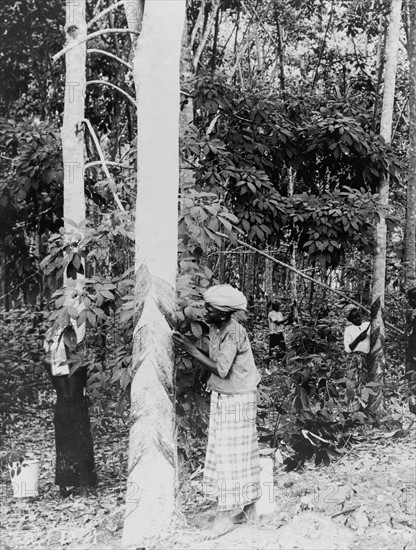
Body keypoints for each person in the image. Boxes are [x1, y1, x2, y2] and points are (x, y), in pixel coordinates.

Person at [173, 285, 261, 540]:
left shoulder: (233, 331)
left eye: (209, 308)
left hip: (239, 398)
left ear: (223, 313)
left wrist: (191, 349)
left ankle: (225, 517)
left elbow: (222, 369)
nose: (205, 310)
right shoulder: (216, 326)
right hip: (227, 394)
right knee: (235, 452)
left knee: (230, 454)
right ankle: (248, 510)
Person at [44, 321, 97, 497]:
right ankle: (83, 484)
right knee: (79, 442)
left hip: (63, 405)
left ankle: (67, 486)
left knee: (65, 444)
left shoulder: (51, 352)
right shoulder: (78, 356)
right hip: (75, 405)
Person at [343, 305, 371, 411]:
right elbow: (348, 349)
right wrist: (358, 338)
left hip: (366, 358)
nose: (358, 319)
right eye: (354, 318)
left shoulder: (368, 325)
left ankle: (364, 409)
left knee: (365, 382)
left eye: (359, 316)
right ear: (349, 319)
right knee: (353, 383)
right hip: (354, 359)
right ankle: (353, 410)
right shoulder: (349, 330)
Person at [405, 288, 416, 414]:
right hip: (411, 352)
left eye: (412, 299)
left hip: (413, 353)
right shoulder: (412, 313)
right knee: (411, 380)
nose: (409, 301)